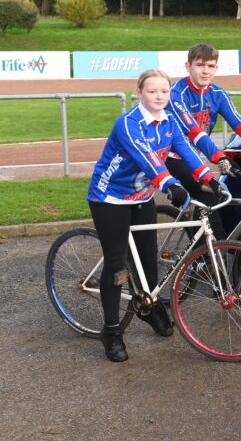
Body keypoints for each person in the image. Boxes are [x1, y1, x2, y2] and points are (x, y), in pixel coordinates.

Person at [87, 69, 221, 362]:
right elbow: (146, 156)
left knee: (149, 258)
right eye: (152, 91)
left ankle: (149, 308)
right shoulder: (128, 123)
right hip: (110, 197)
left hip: (141, 197)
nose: (159, 96)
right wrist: (169, 184)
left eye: (164, 91)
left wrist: (209, 179)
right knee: (116, 266)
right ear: (139, 92)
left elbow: (185, 151)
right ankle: (111, 332)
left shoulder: (169, 121)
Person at [166, 43, 241, 238]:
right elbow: (195, 132)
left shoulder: (218, 94)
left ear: (216, 69)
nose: (205, 71)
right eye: (200, 65)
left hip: (194, 156)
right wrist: (219, 158)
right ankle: (208, 259)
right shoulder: (177, 94)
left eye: (210, 66)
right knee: (210, 193)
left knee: (215, 195)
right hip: (171, 156)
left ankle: (200, 246)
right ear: (188, 67)